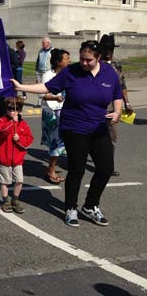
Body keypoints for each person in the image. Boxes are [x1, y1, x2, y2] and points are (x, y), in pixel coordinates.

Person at [12, 40, 123, 227]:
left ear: (98, 58)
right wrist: (22, 87)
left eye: (88, 60)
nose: (84, 63)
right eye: (81, 59)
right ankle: (70, 207)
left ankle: (91, 205)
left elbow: (116, 95)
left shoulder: (109, 73)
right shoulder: (71, 72)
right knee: (77, 169)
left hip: (99, 127)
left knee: (105, 169)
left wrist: (117, 112)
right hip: (74, 128)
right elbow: (47, 87)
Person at [99, 34, 133, 177]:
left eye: (111, 49)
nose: (108, 52)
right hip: (95, 107)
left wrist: (127, 103)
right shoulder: (94, 64)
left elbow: (122, 85)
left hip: (113, 107)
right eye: (106, 48)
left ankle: (108, 166)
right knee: (91, 135)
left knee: (112, 137)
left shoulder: (117, 65)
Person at [0, 96, 34, 214]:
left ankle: (15, 200)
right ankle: (5, 201)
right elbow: (1, 132)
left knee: (19, 180)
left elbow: (29, 139)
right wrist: (12, 123)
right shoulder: (1, 121)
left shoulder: (23, 124)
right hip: (4, 157)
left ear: (20, 110)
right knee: (5, 181)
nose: (12, 111)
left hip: (17, 159)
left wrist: (19, 138)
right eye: (9, 109)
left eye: (15, 109)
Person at [41, 49, 70, 184]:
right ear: (58, 62)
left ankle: (52, 168)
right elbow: (42, 94)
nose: (69, 61)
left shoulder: (68, 74)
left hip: (65, 113)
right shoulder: (48, 75)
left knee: (61, 142)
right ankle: (50, 171)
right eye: (66, 58)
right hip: (52, 114)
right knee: (57, 143)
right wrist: (54, 97)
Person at [35, 37, 54, 107]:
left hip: (47, 71)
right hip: (39, 71)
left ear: (48, 43)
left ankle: (48, 101)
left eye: (43, 42)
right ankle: (39, 101)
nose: (42, 44)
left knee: (47, 87)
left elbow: (54, 62)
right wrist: (36, 70)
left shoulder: (53, 50)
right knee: (39, 87)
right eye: (42, 42)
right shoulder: (41, 50)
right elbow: (38, 61)